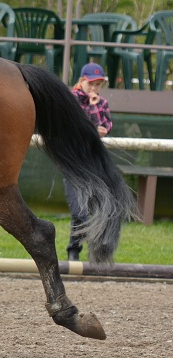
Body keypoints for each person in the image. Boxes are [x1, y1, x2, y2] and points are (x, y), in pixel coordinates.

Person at [65, 62, 113, 261]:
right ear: (82, 81)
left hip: (93, 163)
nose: (94, 88)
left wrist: (94, 107)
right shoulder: (70, 99)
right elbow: (71, 126)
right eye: (91, 83)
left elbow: (106, 126)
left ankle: (77, 251)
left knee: (94, 210)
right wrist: (93, 129)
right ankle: (75, 249)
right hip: (72, 162)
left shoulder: (102, 103)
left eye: (98, 84)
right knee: (80, 211)